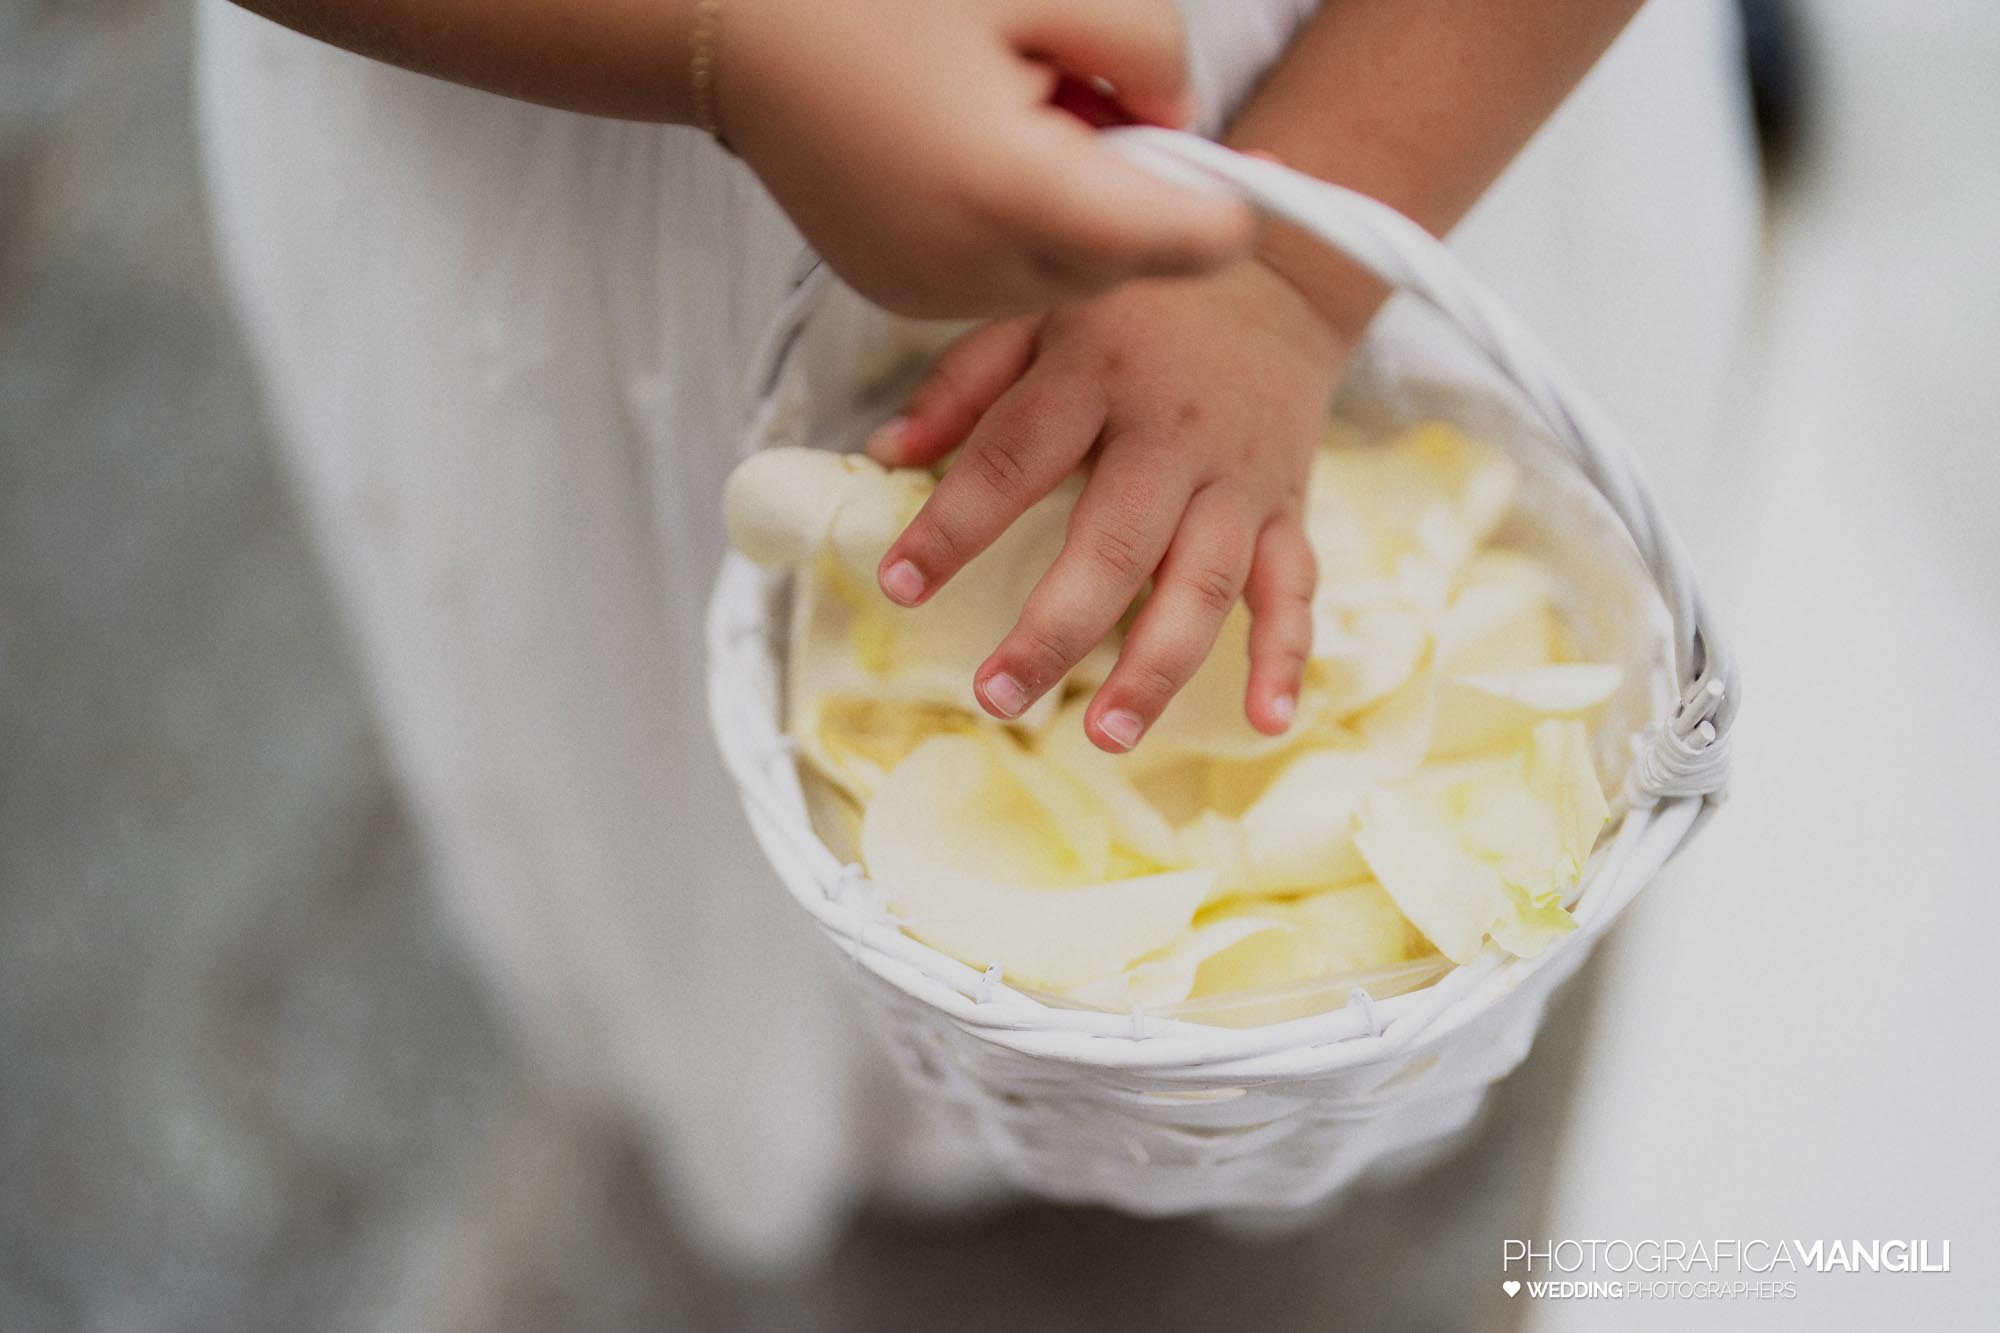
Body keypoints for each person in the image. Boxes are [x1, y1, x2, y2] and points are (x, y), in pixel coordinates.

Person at [197, 0, 1759, 1268]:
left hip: (1363, 109)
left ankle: (1120, 1081)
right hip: (592, 91)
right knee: (690, 750)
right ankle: (873, 1085)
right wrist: (725, 42)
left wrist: (1286, 270)